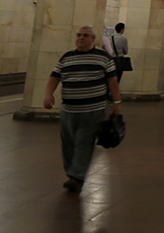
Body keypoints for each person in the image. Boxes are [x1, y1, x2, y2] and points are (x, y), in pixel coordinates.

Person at [43, 25, 122, 193]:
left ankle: (77, 177)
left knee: (83, 142)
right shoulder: (67, 57)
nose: (81, 38)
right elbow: (54, 77)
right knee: (69, 142)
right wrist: (48, 94)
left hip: (93, 109)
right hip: (69, 109)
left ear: (93, 39)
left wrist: (117, 101)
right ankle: (72, 171)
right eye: (79, 35)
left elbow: (112, 81)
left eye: (85, 35)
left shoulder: (103, 57)